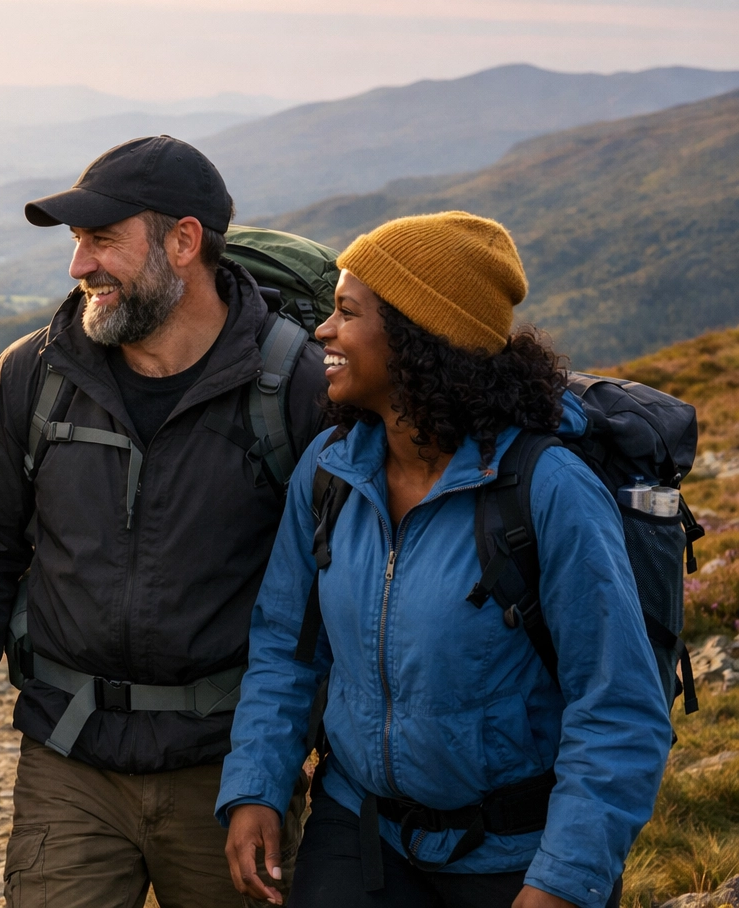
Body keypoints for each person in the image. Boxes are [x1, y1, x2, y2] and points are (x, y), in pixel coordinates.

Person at [217, 211, 672, 908]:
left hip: (516, 855)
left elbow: (617, 707)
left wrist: (561, 882)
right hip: (360, 834)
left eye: (346, 312)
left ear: (417, 338)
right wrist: (256, 786)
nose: (323, 331)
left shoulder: (547, 490)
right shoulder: (331, 472)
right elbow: (285, 647)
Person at [0, 136, 328, 907]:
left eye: (102, 239)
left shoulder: (294, 388)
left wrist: (289, 764)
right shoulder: (32, 375)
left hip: (230, 769)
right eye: (77, 242)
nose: (79, 266)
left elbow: (334, 590)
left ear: (183, 241)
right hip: (69, 758)